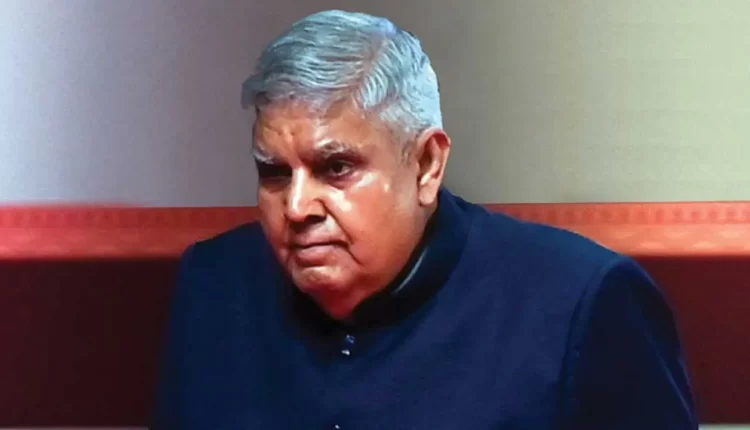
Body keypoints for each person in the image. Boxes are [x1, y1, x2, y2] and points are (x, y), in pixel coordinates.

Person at [153, 9, 697, 430]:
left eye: (335, 168)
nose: (297, 208)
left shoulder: (581, 302)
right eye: (274, 174)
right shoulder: (213, 286)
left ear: (426, 165)